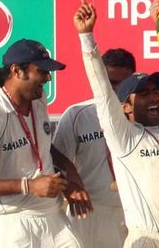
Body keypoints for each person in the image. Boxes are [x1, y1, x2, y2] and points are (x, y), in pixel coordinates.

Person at [74, 0, 159, 247]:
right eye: (143, 94)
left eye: (155, 91)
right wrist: (86, 36)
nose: (153, 97)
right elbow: (102, 91)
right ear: (125, 106)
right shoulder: (125, 137)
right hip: (148, 240)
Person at [0, 39, 83, 247]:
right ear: (16, 71)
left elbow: (41, 144)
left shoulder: (39, 99)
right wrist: (29, 186)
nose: (48, 78)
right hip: (13, 222)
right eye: (42, 71)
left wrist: (69, 172)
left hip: (52, 215)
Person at [52, 48, 136, 248]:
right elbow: (55, 160)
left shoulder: (141, 116)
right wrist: (71, 186)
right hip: (90, 214)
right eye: (111, 82)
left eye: (124, 83)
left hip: (134, 213)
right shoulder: (77, 115)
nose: (116, 89)